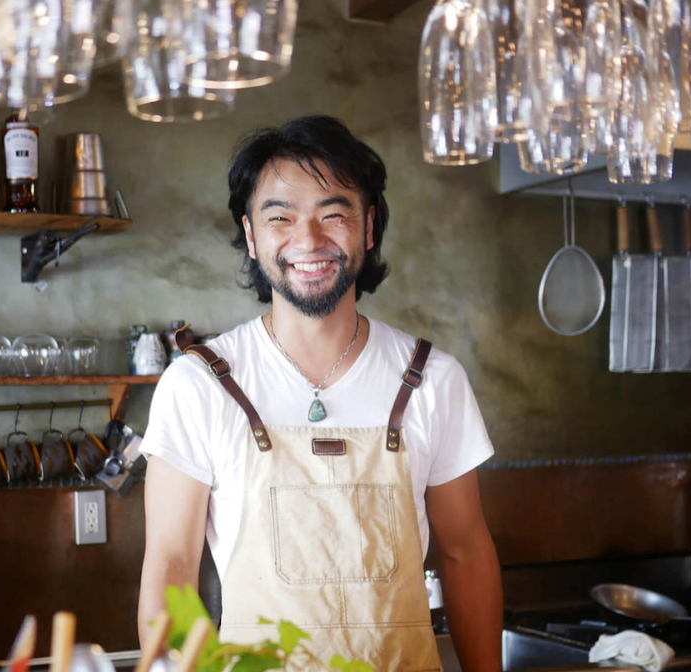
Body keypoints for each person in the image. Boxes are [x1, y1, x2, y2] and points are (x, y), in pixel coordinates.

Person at [138, 115, 502, 672]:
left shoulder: (434, 379)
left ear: (369, 228)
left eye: (333, 214)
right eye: (280, 216)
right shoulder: (197, 385)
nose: (308, 240)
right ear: (253, 235)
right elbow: (171, 568)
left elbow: (465, 552)